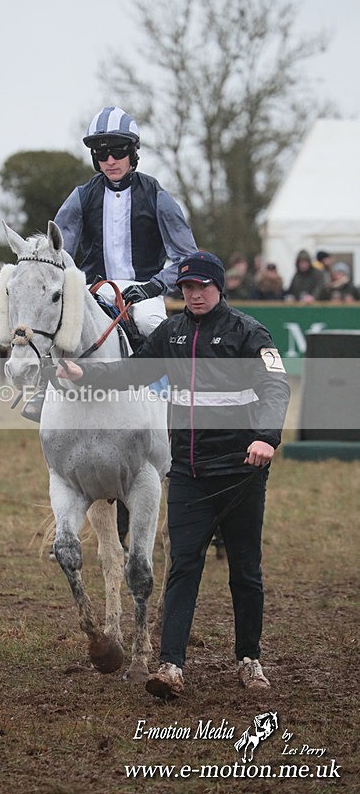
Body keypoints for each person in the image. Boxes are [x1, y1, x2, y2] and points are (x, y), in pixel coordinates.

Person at [56, 250, 290, 699]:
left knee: (245, 571)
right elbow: (131, 372)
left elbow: (276, 385)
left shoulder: (248, 332)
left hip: (241, 472)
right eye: (186, 288)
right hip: (188, 473)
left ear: (219, 287)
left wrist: (266, 437)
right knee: (183, 567)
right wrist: (86, 374)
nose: (194, 294)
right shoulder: (172, 333)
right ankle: (171, 667)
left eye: (202, 286)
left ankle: (249, 659)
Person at [20, 105, 198, 422]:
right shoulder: (80, 197)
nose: (110, 161)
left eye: (117, 151)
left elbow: (187, 256)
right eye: (102, 155)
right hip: (94, 290)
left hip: (144, 290)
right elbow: (60, 251)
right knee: (60, 325)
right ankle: (44, 392)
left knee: (152, 326)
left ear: (132, 153)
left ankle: (180, 406)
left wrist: (156, 285)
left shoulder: (157, 196)